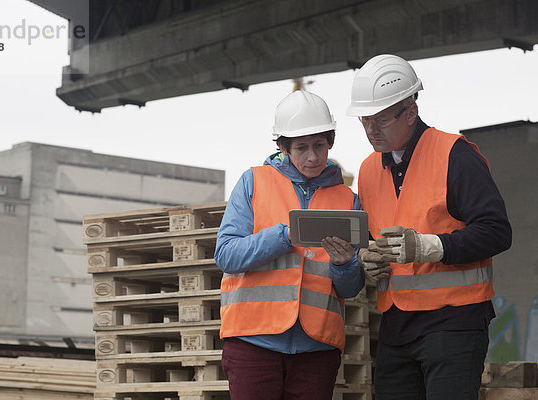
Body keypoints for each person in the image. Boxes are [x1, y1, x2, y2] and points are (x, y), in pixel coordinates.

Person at [347, 54, 512, 400]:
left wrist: (429, 247)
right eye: (364, 120)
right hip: (397, 327)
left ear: (410, 110)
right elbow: (376, 237)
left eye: (380, 119)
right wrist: (368, 258)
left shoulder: (454, 154)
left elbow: (497, 231)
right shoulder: (366, 170)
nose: (371, 130)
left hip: (454, 322)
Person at [215, 90, 365, 400]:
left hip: (317, 348)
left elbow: (350, 289)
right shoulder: (253, 182)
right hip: (253, 342)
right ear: (283, 147)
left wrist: (345, 264)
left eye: (320, 145)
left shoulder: (348, 201)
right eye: (301, 148)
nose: (313, 157)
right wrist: (284, 236)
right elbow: (226, 255)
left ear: (331, 141)